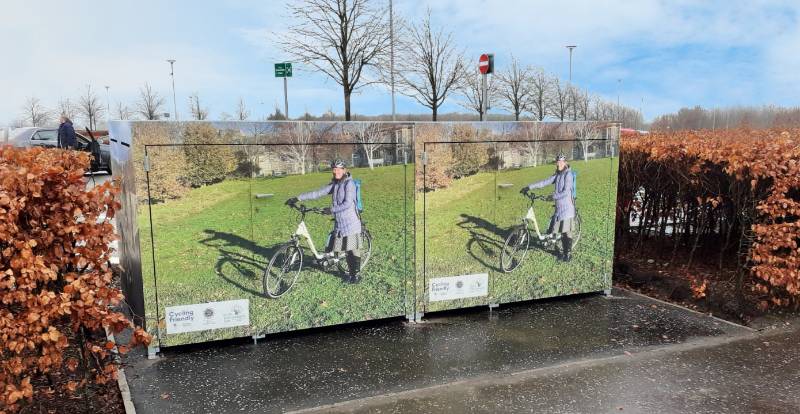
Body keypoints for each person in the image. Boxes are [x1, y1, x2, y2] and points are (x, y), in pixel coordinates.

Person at [286, 159, 364, 283]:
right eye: (334, 169)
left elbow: (348, 203)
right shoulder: (335, 184)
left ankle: (356, 276)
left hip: (350, 222)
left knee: (351, 250)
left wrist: (331, 210)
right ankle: (346, 270)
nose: (336, 172)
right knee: (342, 249)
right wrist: (297, 198)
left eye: (338, 169)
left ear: (344, 170)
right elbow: (317, 193)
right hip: (340, 223)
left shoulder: (349, 184)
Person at [521, 154, 576, 262]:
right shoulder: (558, 175)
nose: (559, 163)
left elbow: (566, 192)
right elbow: (544, 182)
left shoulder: (568, 174)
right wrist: (529, 187)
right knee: (556, 230)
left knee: (566, 232)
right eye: (557, 161)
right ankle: (558, 247)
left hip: (567, 207)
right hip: (559, 208)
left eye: (561, 162)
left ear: (565, 163)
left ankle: (567, 255)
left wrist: (552, 196)